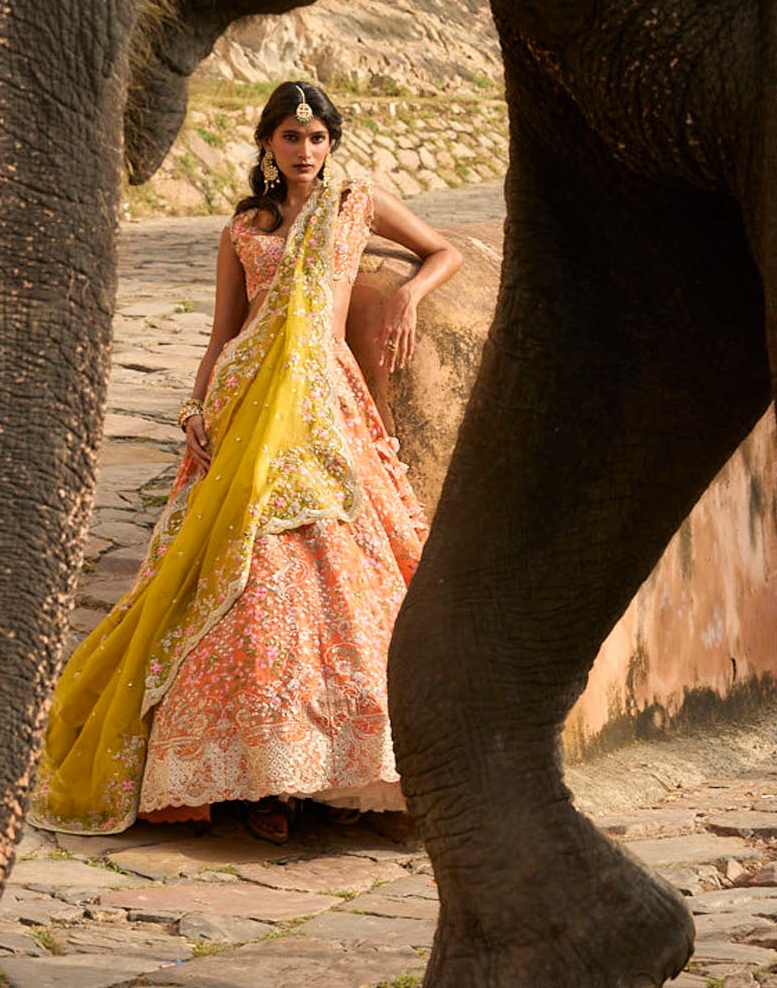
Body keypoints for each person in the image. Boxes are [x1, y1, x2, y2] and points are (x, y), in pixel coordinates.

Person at [30, 80, 462, 844]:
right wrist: (196, 410)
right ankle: (261, 778)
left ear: (333, 143)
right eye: (291, 138)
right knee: (245, 572)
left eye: (317, 137)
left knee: (336, 566)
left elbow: (444, 251)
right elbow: (223, 333)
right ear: (267, 144)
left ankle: (332, 769)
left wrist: (405, 300)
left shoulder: (356, 203)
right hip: (245, 403)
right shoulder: (243, 228)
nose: (305, 150)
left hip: (323, 403)